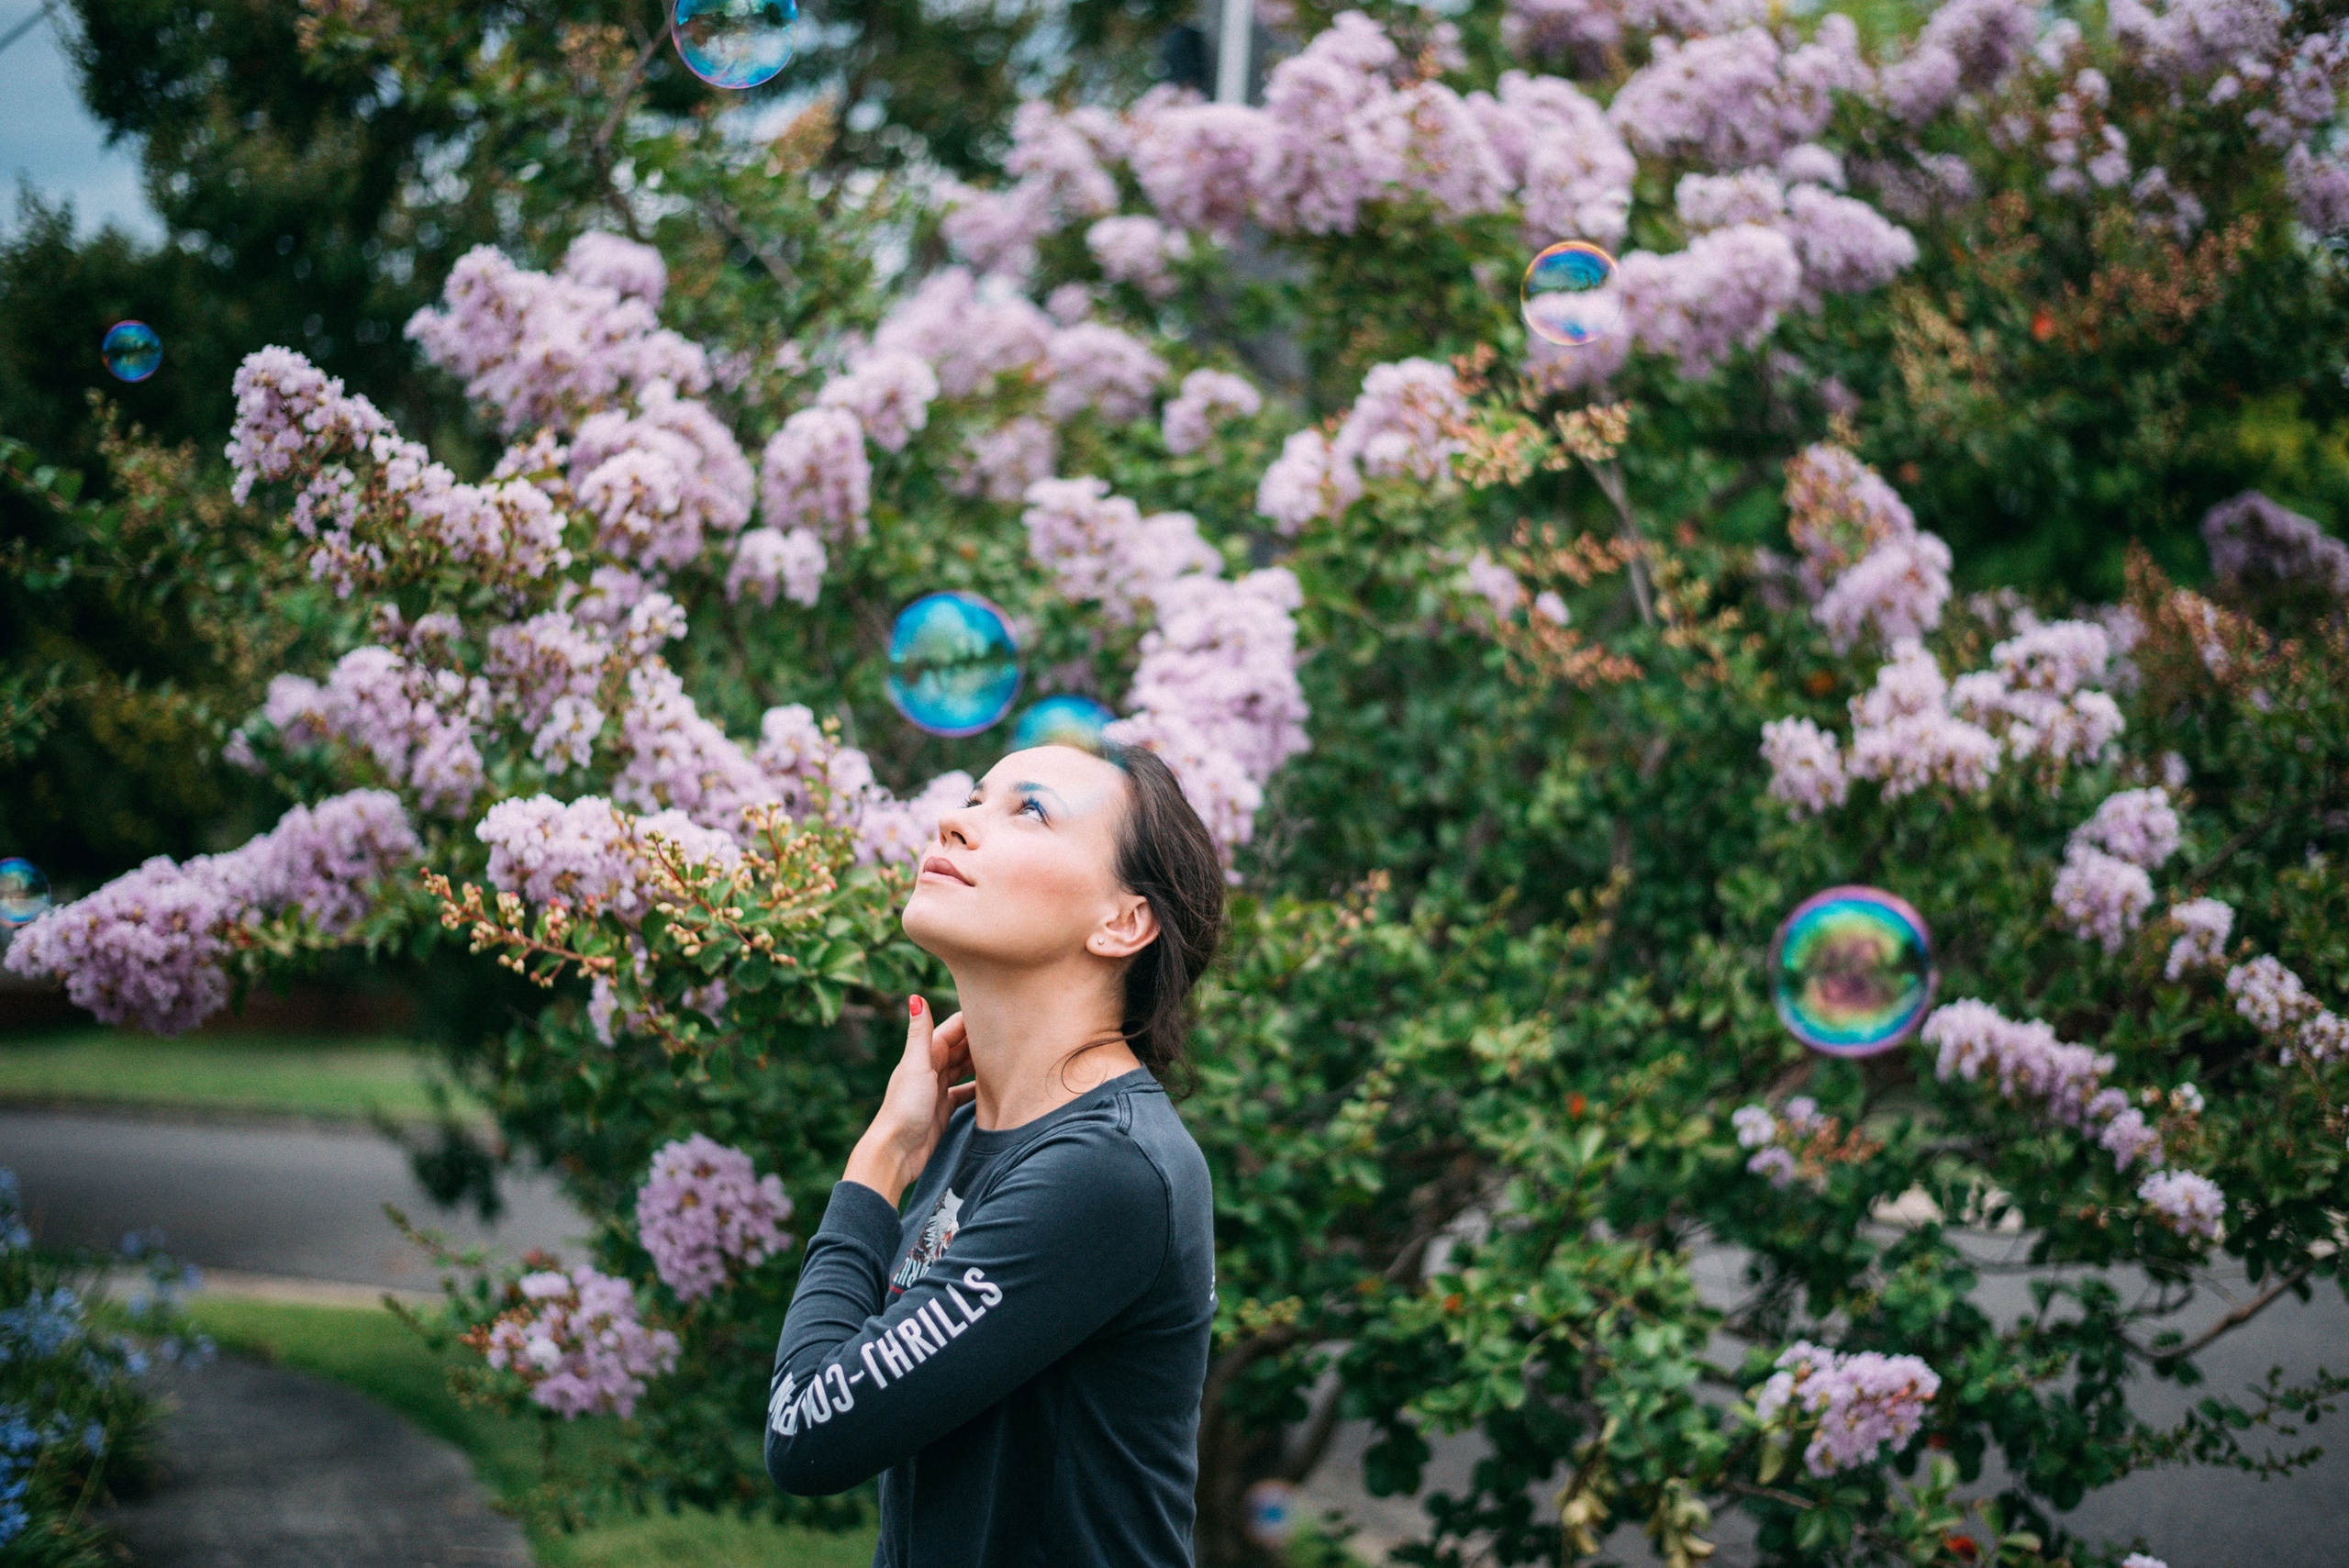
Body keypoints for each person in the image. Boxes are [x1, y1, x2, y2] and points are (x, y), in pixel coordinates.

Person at [764, 738, 1225, 1567]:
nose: (955, 821)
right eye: (976, 799)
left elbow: (806, 1431)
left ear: (1124, 922)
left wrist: (876, 1165)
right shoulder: (977, 1130)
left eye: (1032, 810)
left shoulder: (1106, 1170)